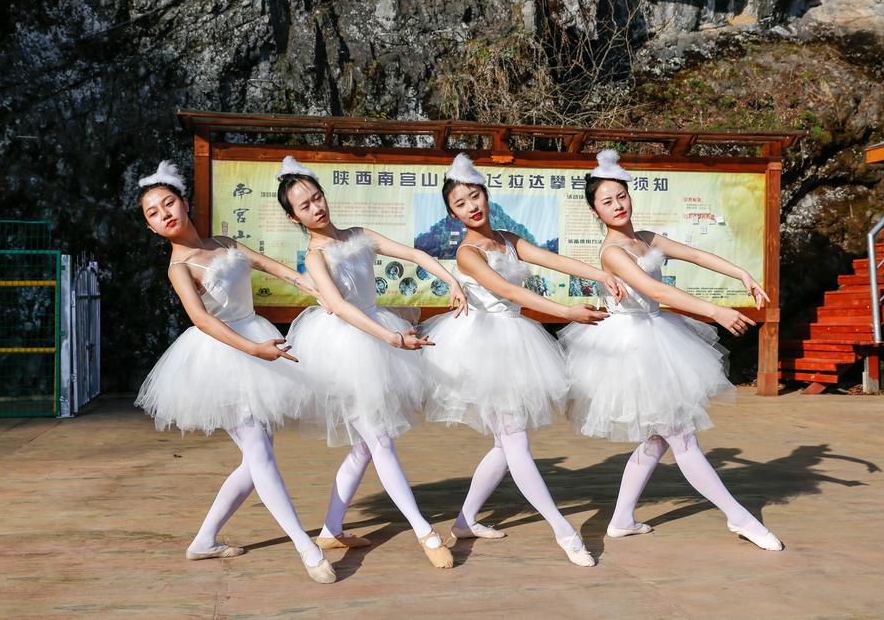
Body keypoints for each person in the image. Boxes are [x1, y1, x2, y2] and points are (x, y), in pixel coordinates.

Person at [559, 150, 783, 551]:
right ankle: (739, 517)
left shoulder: (646, 238)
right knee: (681, 436)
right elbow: (654, 290)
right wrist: (715, 310)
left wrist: (742, 274)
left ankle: (621, 520)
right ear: (595, 211)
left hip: (657, 334)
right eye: (607, 201)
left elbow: (694, 254)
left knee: (659, 439)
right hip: (632, 348)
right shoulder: (612, 252)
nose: (617, 205)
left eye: (621, 196)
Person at [133, 160, 337, 583]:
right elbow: (202, 321)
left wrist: (315, 288)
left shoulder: (223, 242)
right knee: (259, 453)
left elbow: (271, 266)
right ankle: (306, 546)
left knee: (256, 458)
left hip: (255, 339)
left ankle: (204, 540)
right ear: (151, 228)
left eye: (168, 203)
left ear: (184, 203)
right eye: (153, 213)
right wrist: (254, 350)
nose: (164, 214)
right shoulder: (179, 268)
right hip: (221, 357)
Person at [419, 153, 625, 567]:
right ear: (452, 214)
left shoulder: (508, 239)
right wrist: (565, 312)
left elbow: (552, 259)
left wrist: (599, 274)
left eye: (475, 196)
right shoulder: (467, 253)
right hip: (483, 348)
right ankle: (564, 532)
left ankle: (464, 521)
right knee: (515, 440)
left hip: (514, 339)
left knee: (505, 443)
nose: (471, 206)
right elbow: (509, 292)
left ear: (485, 194)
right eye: (460, 204)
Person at [278, 156, 466, 568]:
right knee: (379, 439)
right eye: (305, 205)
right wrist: (392, 338)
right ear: (294, 217)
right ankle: (424, 531)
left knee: (366, 445)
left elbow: (412, 253)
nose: (316, 207)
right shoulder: (315, 256)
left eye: (317, 197)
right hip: (345, 349)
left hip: (376, 336)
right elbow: (340, 307)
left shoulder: (358, 235)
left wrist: (450, 279)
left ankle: (331, 529)